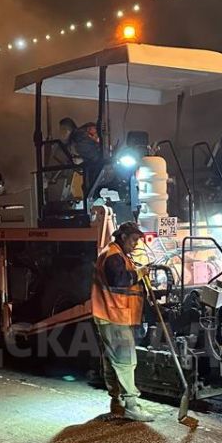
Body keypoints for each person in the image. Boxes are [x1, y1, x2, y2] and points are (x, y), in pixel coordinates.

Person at [92, 221, 154, 422]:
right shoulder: (113, 256)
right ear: (123, 236)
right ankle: (131, 405)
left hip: (110, 315)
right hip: (114, 315)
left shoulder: (116, 254)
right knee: (126, 361)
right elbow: (120, 281)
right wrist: (140, 272)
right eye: (134, 239)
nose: (136, 244)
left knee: (112, 361)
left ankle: (116, 402)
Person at [59, 117, 104, 196]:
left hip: (95, 170)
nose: (61, 134)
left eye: (62, 130)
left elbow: (94, 156)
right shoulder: (77, 138)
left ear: (67, 130)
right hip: (95, 170)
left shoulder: (78, 138)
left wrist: (82, 160)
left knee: (90, 191)